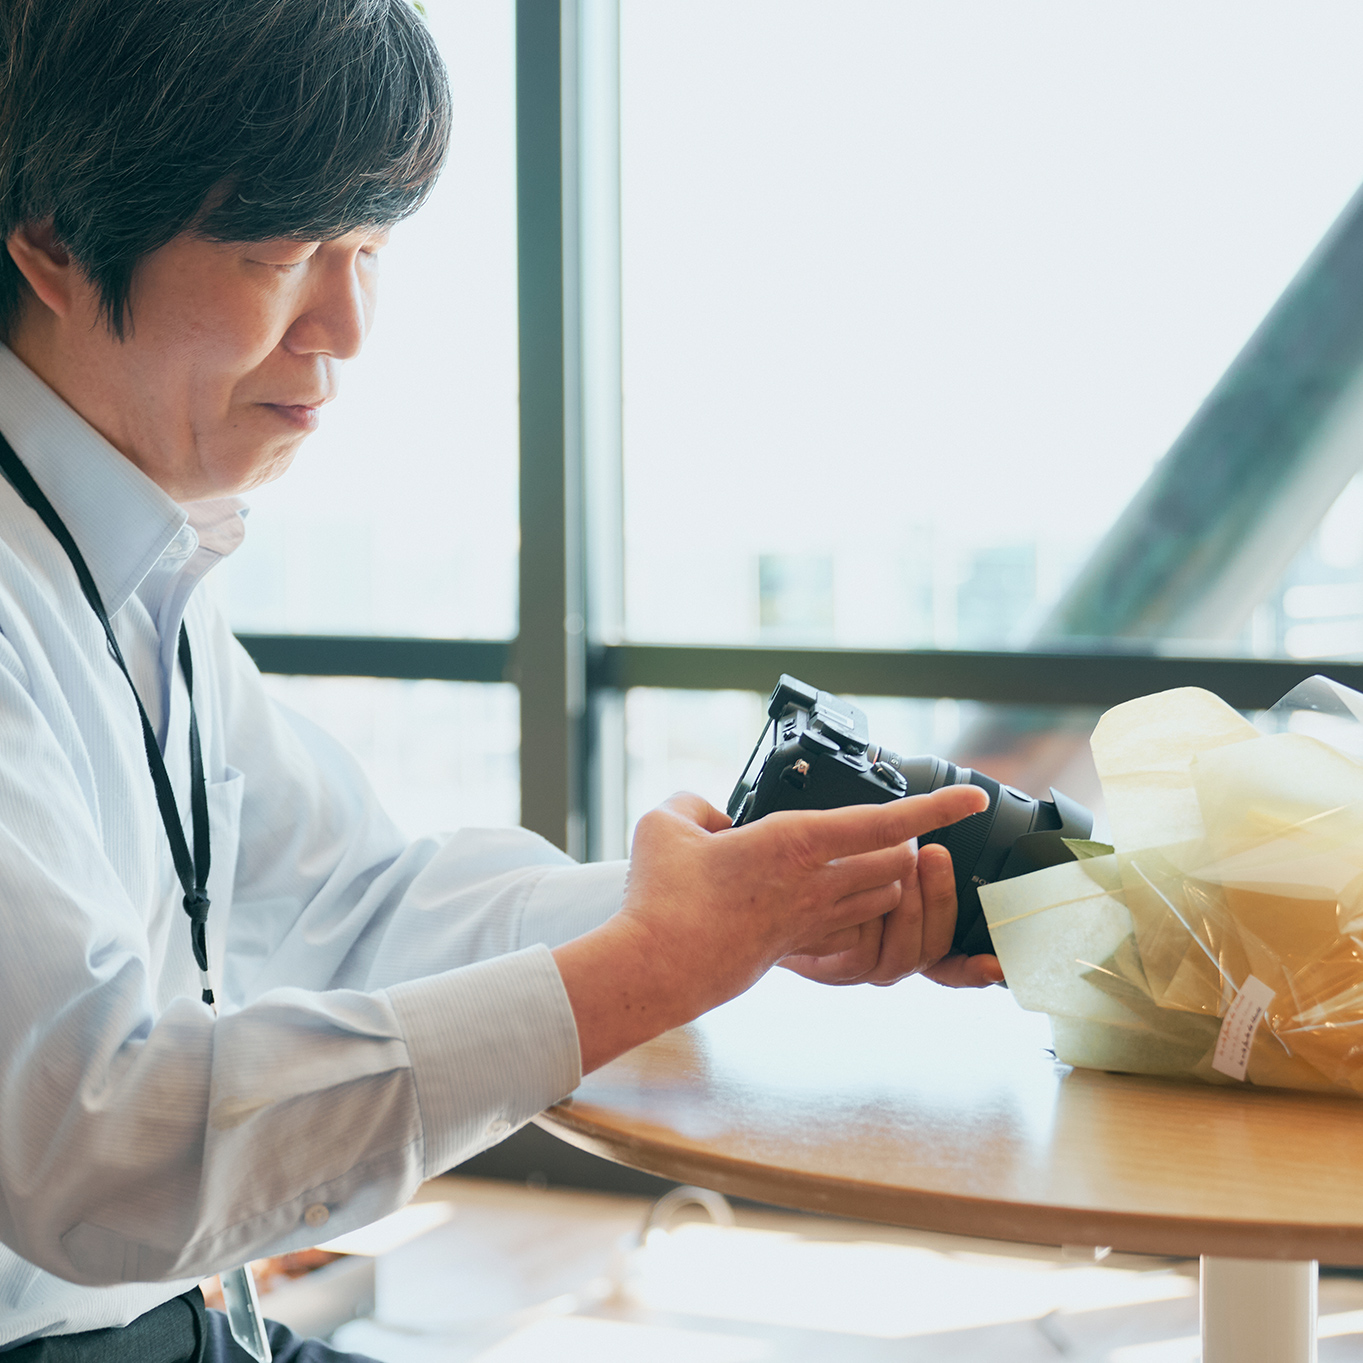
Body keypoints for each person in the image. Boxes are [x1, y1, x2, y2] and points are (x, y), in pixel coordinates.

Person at [0, 1, 1000, 1358]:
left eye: (369, 251)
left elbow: (356, 908)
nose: (344, 328)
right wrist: (648, 966)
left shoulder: (128, 570)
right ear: (54, 242)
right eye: (283, 252)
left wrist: (737, 914)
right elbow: (98, 1145)